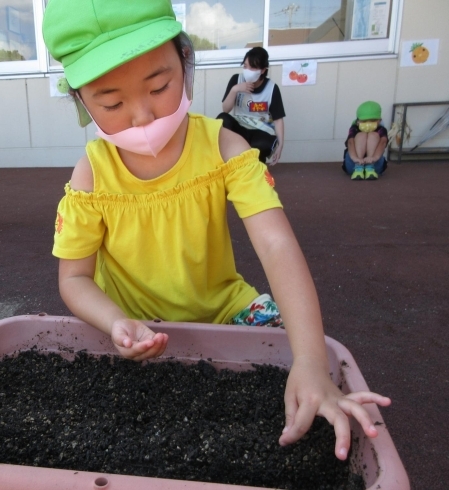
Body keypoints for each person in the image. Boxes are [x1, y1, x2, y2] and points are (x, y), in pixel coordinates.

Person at [43, 0, 390, 461]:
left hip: (225, 309)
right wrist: (115, 323)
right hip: (133, 326)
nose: (142, 116)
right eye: (111, 102)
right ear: (81, 102)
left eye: (159, 85)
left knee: (295, 347)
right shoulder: (91, 174)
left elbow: (275, 242)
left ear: (185, 63)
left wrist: (310, 362)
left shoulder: (223, 145)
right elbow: (74, 279)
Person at [217, 47, 285, 165]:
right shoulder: (236, 79)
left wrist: (281, 145)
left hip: (259, 131)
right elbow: (226, 109)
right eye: (245, 66)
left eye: (253, 67)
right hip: (240, 128)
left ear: (263, 70)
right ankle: (240, 158)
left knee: (266, 144)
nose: (248, 70)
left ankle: (244, 158)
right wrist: (235, 89)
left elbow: (278, 120)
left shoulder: (272, 88)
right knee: (222, 119)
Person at [343, 101, 388, 180]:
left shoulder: (381, 129)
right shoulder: (354, 128)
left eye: (372, 120)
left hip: (375, 165)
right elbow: (350, 142)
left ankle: (370, 167)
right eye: (364, 121)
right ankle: (358, 167)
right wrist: (355, 158)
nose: (368, 123)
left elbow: (383, 142)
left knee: (373, 135)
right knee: (361, 135)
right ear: (357, 121)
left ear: (379, 120)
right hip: (353, 165)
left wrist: (374, 158)